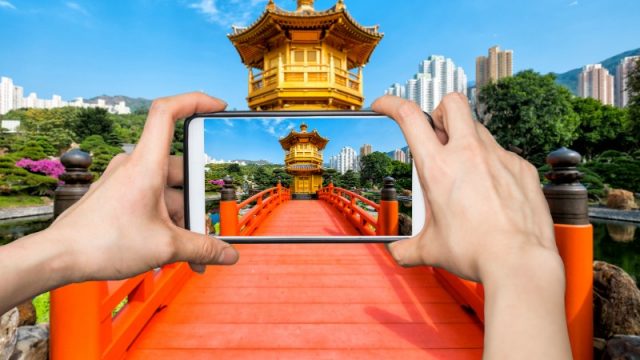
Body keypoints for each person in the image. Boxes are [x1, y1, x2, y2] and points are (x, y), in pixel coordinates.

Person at [0, 92, 571, 358]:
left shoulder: (298, 165)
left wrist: (60, 250)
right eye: (299, 148)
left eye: (304, 149)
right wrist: (521, 268)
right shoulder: (314, 161)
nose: (302, 151)